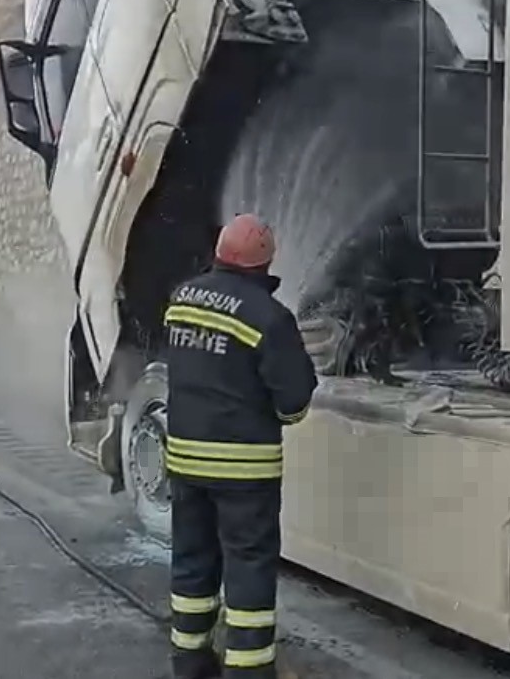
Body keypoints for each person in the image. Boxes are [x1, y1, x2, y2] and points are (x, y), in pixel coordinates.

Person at [163, 213, 318, 679]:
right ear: (264, 264)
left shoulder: (181, 299)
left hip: (186, 461)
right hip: (244, 472)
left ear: (219, 253)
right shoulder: (270, 318)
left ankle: (189, 659)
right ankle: (248, 670)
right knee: (248, 568)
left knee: (192, 561)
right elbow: (293, 402)